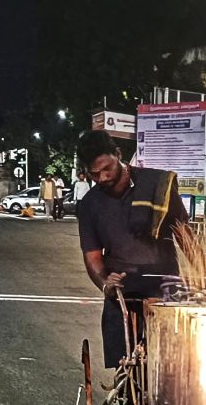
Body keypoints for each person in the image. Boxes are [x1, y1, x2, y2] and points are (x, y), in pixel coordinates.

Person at [76, 130, 193, 368]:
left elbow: (185, 235)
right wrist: (105, 283)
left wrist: (204, 271)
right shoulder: (89, 205)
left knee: (171, 368)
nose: (102, 178)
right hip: (122, 294)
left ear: (119, 154)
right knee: (128, 375)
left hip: (165, 290)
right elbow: (93, 256)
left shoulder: (157, 185)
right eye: (94, 173)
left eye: (107, 168)